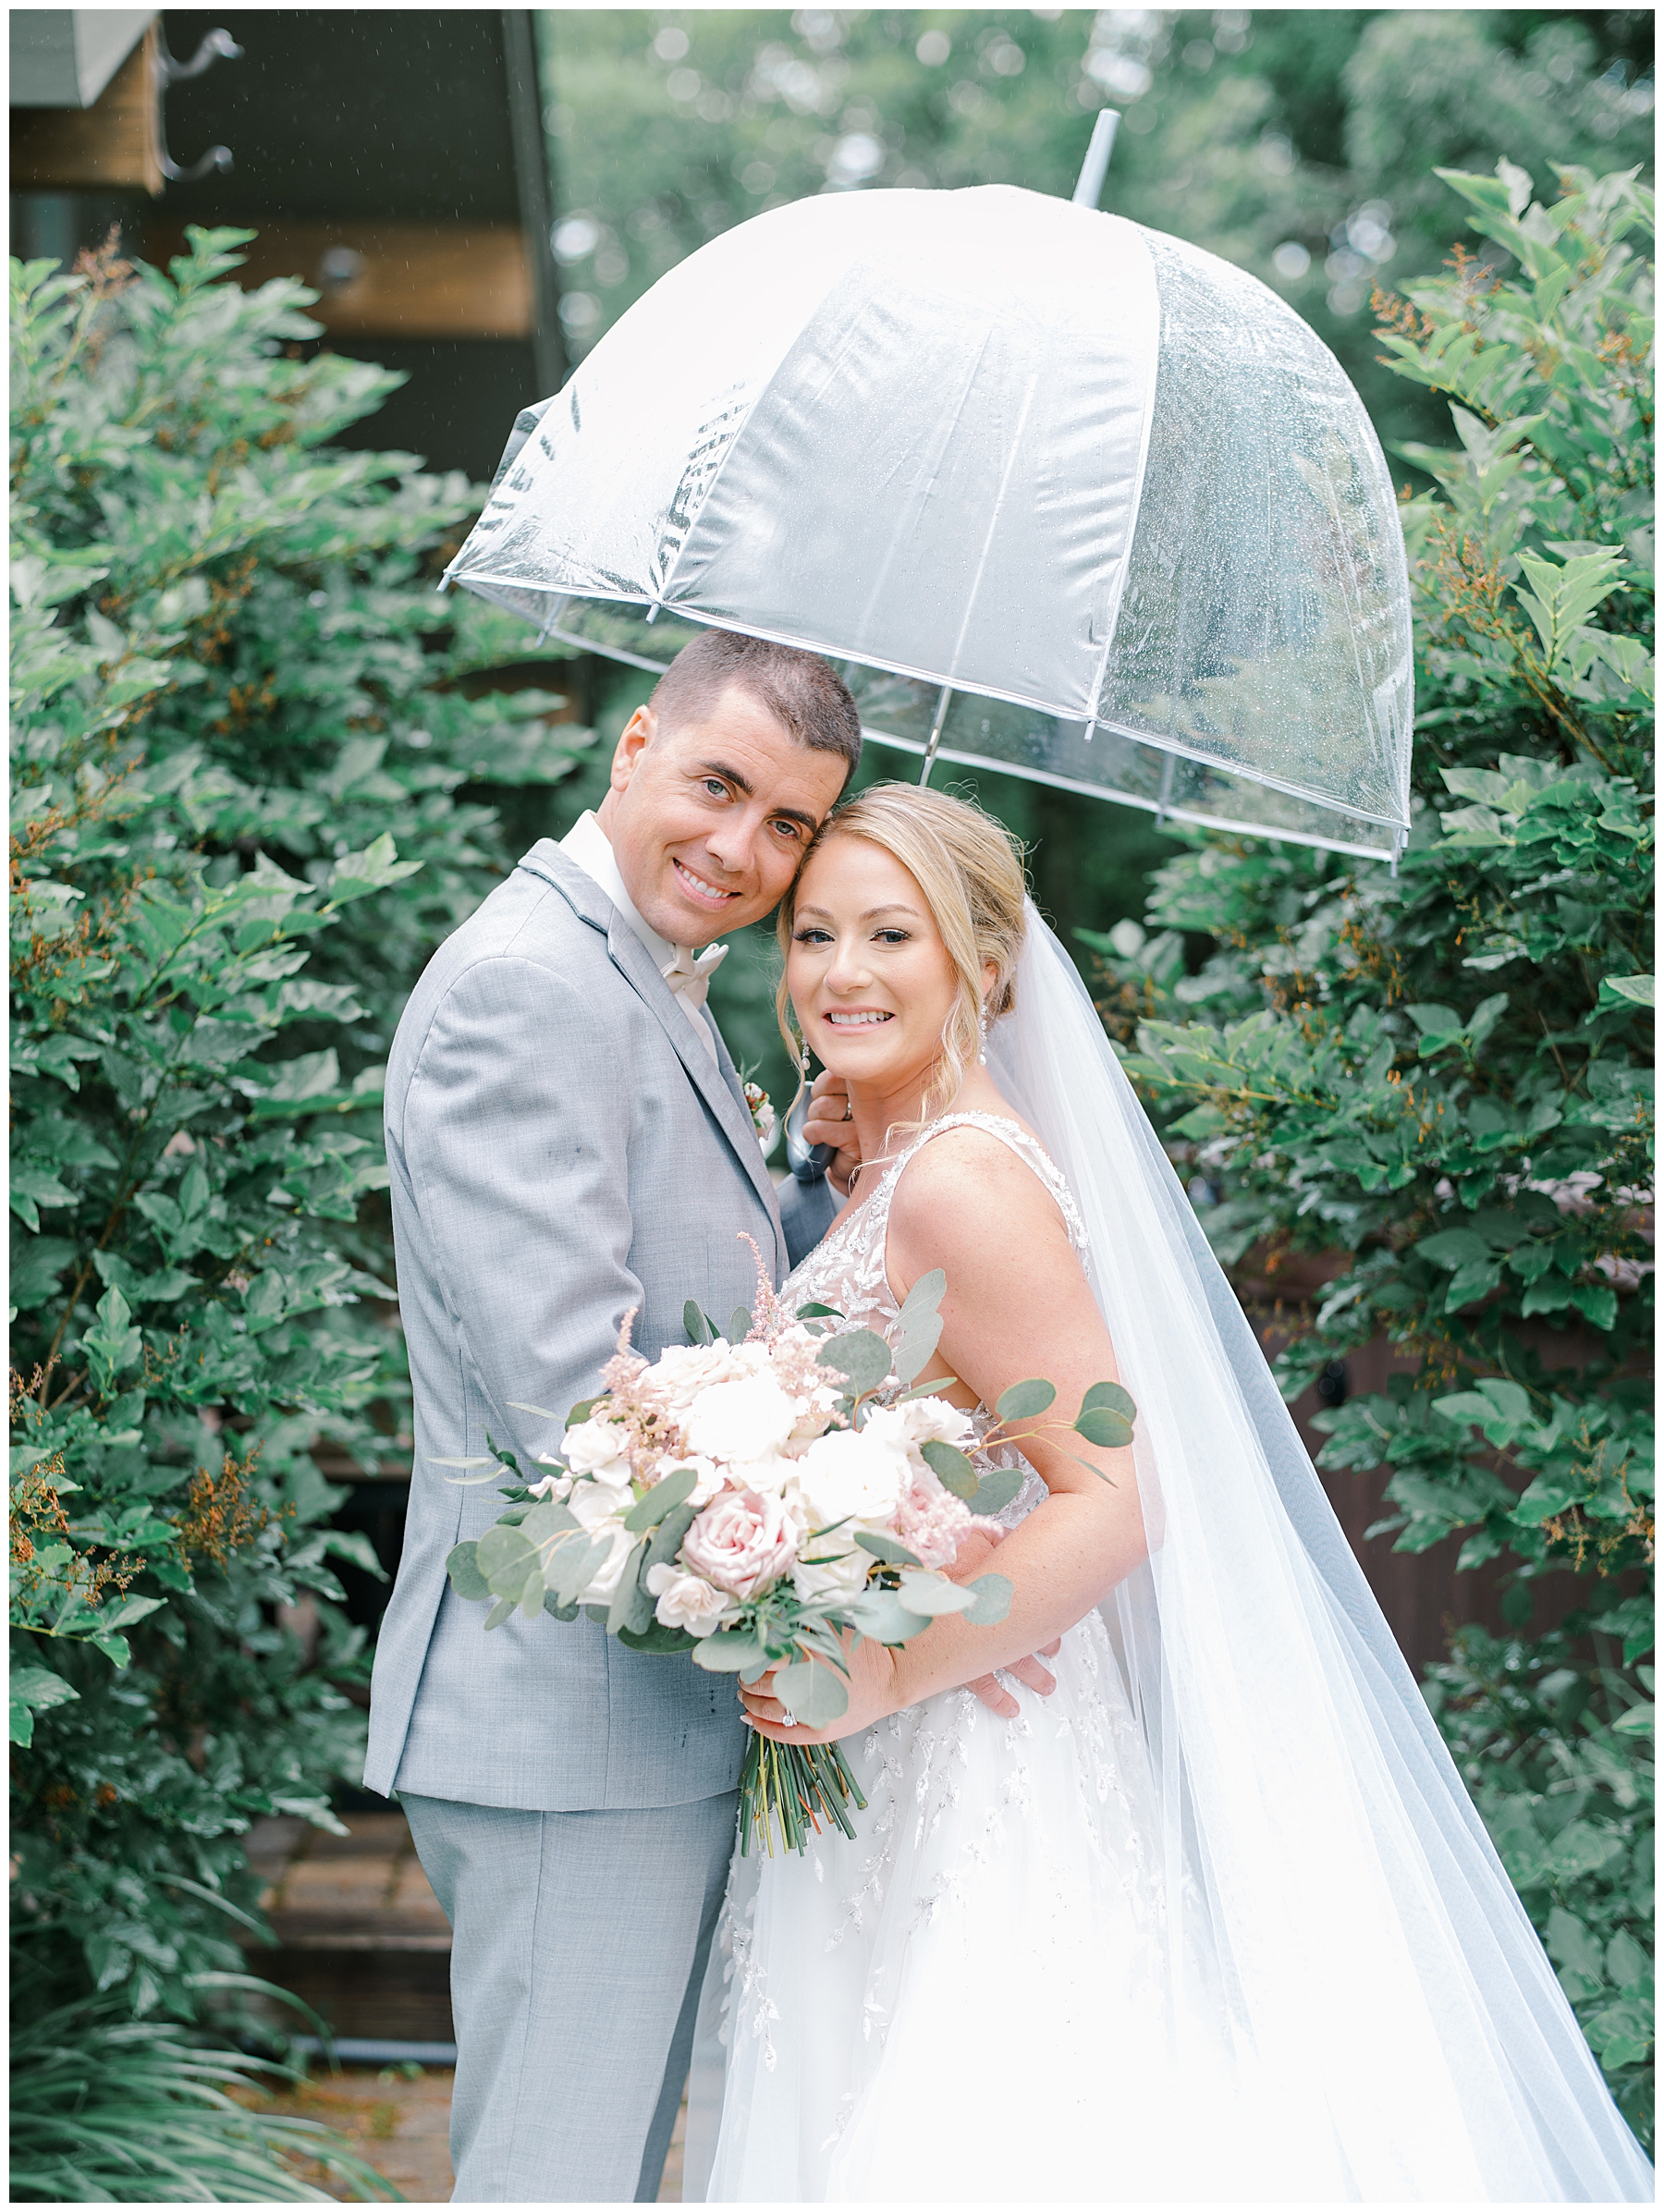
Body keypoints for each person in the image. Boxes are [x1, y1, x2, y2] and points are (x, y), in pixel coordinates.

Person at [684, 784, 1653, 2205]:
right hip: (900, 1749)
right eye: (814, 932)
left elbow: (1121, 1497)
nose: (840, 970)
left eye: (892, 932)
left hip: (961, 1754)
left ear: (985, 964)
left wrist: (893, 1667)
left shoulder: (961, 1179)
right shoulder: (908, 1154)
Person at [363, 637, 1057, 2202]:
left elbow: (705, 1324)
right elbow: (575, 1410)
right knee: (559, 2177)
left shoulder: (628, 976)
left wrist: (815, 1177)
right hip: (567, 1724)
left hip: (639, 1718)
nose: (741, 852)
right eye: (717, 786)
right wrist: (873, 1589)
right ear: (633, 747)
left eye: (790, 824)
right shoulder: (528, 988)